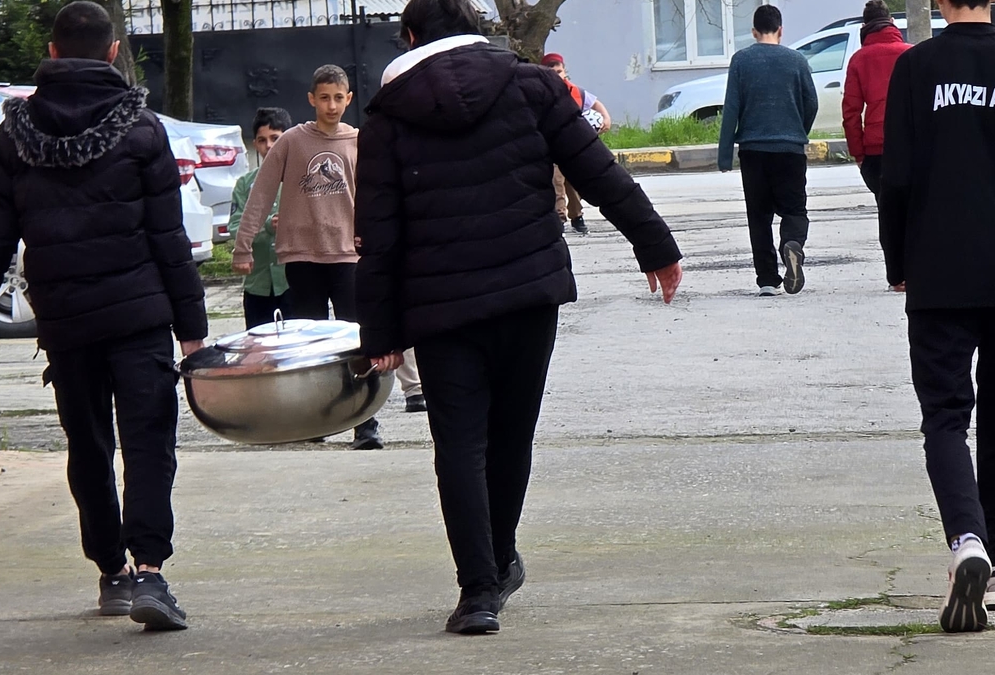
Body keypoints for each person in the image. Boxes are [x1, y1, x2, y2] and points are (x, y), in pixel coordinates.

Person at [355, 0, 683, 635]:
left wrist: (382, 332)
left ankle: (478, 589)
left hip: (441, 307)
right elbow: (595, 167)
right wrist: (655, 243)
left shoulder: (388, 117)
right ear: (475, 33)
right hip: (527, 292)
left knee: (458, 444)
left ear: (412, 37)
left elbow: (379, 233)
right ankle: (499, 561)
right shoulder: (531, 85)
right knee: (511, 434)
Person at [0, 1, 204, 631]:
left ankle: (111, 573)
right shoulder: (143, 129)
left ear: (54, 51)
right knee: (149, 441)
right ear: (113, 52)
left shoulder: (16, 133)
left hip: (64, 317)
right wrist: (193, 328)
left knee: (87, 443)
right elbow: (169, 239)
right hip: (140, 313)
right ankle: (150, 571)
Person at [881, 0, 995, 633]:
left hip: (939, 270)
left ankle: (966, 543)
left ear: (940, 3)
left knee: (945, 417)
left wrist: (899, 261)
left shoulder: (915, 69)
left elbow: (895, 178)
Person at [231, 65, 384, 450]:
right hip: (302, 255)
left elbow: (376, 196)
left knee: (357, 338)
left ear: (349, 100)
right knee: (310, 345)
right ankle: (315, 420)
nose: (331, 105)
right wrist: (243, 244)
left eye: (339, 98)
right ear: (312, 99)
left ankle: (365, 422)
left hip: (348, 254)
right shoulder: (292, 142)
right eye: (324, 97)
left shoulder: (360, 142)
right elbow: (261, 193)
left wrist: (381, 243)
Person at [718, 4, 817, 297]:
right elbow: (811, 103)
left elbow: (732, 108)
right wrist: (798, 130)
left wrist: (725, 154)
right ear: (781, 31)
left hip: (754, 150)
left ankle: (767, 280)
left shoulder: (741, 61)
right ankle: (793, 243)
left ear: (753, 32)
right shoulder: (797, 61)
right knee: (795, 209)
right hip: (790, 149)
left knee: (758, 216)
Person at [841, 0, 910, 291]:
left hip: (876, 150)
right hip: (911, 145)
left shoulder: (859, 59)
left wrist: (858, 153)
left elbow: (851, 112)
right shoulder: (911, 54)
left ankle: (897, 276)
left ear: (864, 28)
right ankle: (921, 270)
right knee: (917, 210)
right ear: (891, 22)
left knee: (888, 210)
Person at [229, 107, 293, 329]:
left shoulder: (300, 180)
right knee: (259, 353)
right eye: (262, 140)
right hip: (258, 285)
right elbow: (235, 228)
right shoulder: (245, 185)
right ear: (255, 144)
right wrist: (265, 227)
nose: (269, 146)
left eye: (276, 138)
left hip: (293, 282)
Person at [540, 52, 611, 236]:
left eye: (560, 71)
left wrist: (606, 118)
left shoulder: (575, 91)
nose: (558, 75)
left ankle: (577, 216)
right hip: (550, 147)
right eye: (552, 72)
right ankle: (559, 218)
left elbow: (595, 103)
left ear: (565, 71)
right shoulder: (540, 93)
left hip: (572, 146)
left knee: (574, 184)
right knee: (557, 184)